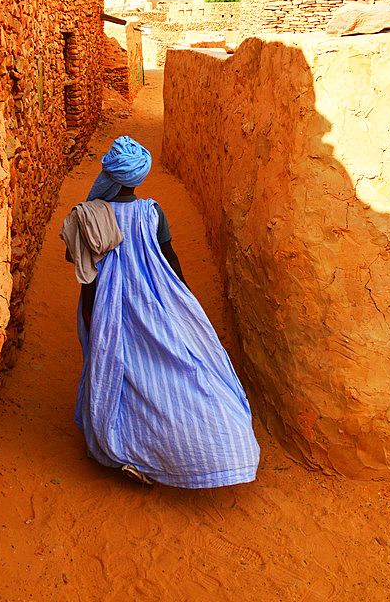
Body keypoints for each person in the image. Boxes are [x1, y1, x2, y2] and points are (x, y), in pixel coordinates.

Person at [61, 135, 260, 488]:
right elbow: (170, 259)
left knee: (116, 366)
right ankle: (201, 444)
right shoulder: (152, 212)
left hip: (110, 303)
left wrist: (91, 312)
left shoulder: (89, 216)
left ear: (109, 172)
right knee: (171, 365)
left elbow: (80, 264)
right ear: (139, 177)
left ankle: (122, 442)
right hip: (154, 298)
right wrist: (182, 301)